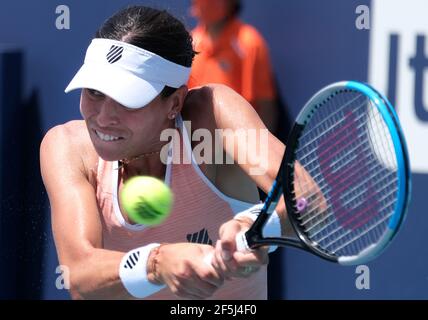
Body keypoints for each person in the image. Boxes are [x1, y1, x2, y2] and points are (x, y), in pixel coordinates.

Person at [40, 5, 286, 300]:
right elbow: (78, 276)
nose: (104, 117)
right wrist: (157, 263)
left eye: (127, 100)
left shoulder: (214, 115)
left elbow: (307, 200)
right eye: (94, 92)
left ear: (174, 103)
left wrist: (251, 228)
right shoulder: (66, 146)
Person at [188, 0, 278, 133]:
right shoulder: (191, 42)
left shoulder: (249, 42)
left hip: (236, 141)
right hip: (197, 142)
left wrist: (259, 146)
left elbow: (264, 104)